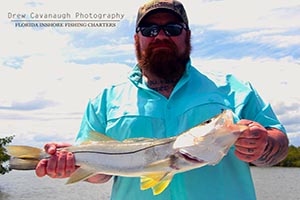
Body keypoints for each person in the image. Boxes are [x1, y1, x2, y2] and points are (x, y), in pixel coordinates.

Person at [35, 0, 289, 199]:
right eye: (149, 29)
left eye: (173, 28)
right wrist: (71, 164)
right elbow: (99, 176)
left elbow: (279, 146)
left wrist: (264, 144)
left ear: (187, 36)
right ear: (137, 39)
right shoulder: (104, 100)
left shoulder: (234, 88)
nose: (160, 36)